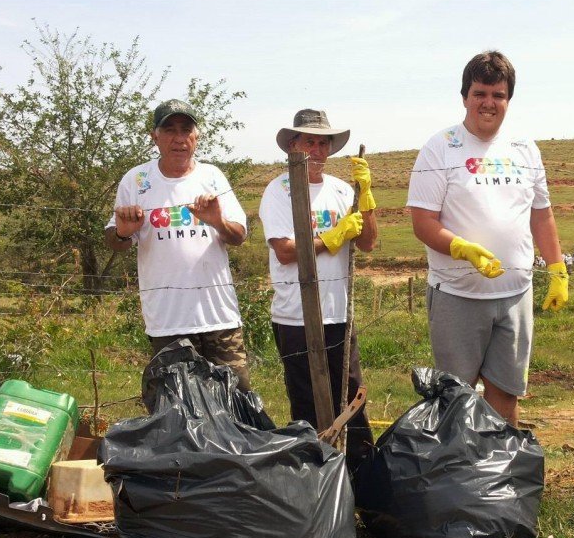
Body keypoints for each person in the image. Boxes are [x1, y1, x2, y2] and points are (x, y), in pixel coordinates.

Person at [407, 50, 568, 426]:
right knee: (456, 397)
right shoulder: (441, 147)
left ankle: (502, 473)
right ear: (464, 96)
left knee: (506, 395)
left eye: (498, 95)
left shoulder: (524, 149)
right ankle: (460, 475)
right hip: (457, 295)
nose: (488, 103)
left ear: (508, 99)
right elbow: (422, 221)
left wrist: (558, 267)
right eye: (480, 93)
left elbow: (541, 214)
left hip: (515, 294)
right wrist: (460, 247)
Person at [258, 109, 378, 471]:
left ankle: (360, 480)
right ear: (292, 146)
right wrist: (331, 237)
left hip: (339, 312)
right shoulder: (279, 190)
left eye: (323, 142)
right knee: (307, 403)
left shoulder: (342, 190)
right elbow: (285, 251)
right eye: (309, 141)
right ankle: (312, 478)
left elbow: (370, 243)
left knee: (351, 398)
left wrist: (367, 197)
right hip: (295, 316)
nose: (317, 149)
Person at [105, 99, 251, 389]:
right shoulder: (136, 180)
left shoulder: (212, 176)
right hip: (167, 320)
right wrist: (123, 231)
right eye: (169, 129)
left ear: (196, 137)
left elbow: (239, 236)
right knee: (176, 409)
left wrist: (216, 220)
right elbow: (116, 242)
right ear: (154, 137)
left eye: (186, 130)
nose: (179, 138)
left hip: (218, 316)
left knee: (238, 400)